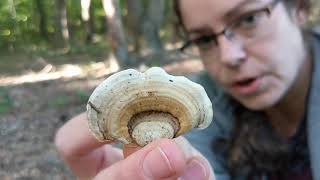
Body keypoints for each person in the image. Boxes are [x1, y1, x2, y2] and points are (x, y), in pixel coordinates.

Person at [54, 0, 320, 179]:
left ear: (300, 8)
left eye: (249, 19)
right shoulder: (202, 104)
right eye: (204, 39)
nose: (228, 55)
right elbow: (194, 161)